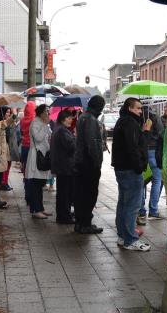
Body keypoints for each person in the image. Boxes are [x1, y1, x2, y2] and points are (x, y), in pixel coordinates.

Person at [112, 97, 152, 251]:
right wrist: (139, 166)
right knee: (131, 206)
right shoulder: (130, 123)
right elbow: (134, 148)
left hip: (122, 168)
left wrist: (143, 131)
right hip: (130, 170)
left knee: (123, 204)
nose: (140, 111)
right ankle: (130, 239)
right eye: (138, 108)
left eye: (141, 109)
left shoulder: (123, 121)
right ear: (130, 108)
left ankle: (123, 236)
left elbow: (134, 143)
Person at [74, 95, 106, 234]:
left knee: (81, 193)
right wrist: (97, 163)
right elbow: (92, 144)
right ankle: (85, 223)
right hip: (89, 164)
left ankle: (81, 222)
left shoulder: (83, 117)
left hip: (81, 162)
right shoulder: (91, 120)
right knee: (89, 194)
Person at [138, 106, 164, 225]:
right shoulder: (156, 117)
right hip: (154, 151)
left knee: (141, 182)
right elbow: (161, 133)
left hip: (142, 151)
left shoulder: (137, 117)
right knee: (157, 180)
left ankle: (141, 210)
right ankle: (153, 210)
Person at [25, 104, 53, 219]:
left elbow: (49, 136)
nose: (48, 113)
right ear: (41, 112)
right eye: (46, 111)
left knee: (40, 184)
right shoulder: (35, 123)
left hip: (43, 155)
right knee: (36, 184)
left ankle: (40, 208)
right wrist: (45, 125)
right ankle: (35, 209)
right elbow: (38, 138)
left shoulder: (42, 123)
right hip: (36, 156)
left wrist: (47, 126)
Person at [50, 110, 76, 224]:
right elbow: (71, 146)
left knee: (62, 193)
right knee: (65, 193)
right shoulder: (62, 130)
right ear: (63, 119)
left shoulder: (58, 128)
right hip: (65, 167)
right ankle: (64, 216)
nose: (71, 120)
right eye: (69, 118)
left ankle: (62, 215)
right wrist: (76, 137)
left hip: (61, 166)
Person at [20, 101, 36, 204]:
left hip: (24, 147)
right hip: (32, 148)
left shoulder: (22, 120)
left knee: (26, 172)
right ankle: (31, 196)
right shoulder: (34, 120)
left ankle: (27, 194)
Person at [2, 107, 20, 191]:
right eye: (7, 112)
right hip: (5, 147)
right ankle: (3, 182)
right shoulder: (3, 123)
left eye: (9, 112)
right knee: (5, 166)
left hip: (10, 147)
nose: (8, 114)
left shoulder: (11, 123)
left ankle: (5, 182)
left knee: (8, 165)